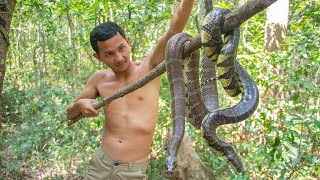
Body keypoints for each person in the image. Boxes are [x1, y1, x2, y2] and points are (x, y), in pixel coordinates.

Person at [66, 0, 195, 179]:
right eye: (109, 54)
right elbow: (70, 113)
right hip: (101, 163)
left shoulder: (149, 68)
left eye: (121, 48)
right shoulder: (99, 79)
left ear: (128, 42)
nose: (119, 58)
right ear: (98, 57)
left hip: (132, 170)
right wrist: (79, 105)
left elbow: (174, 30)